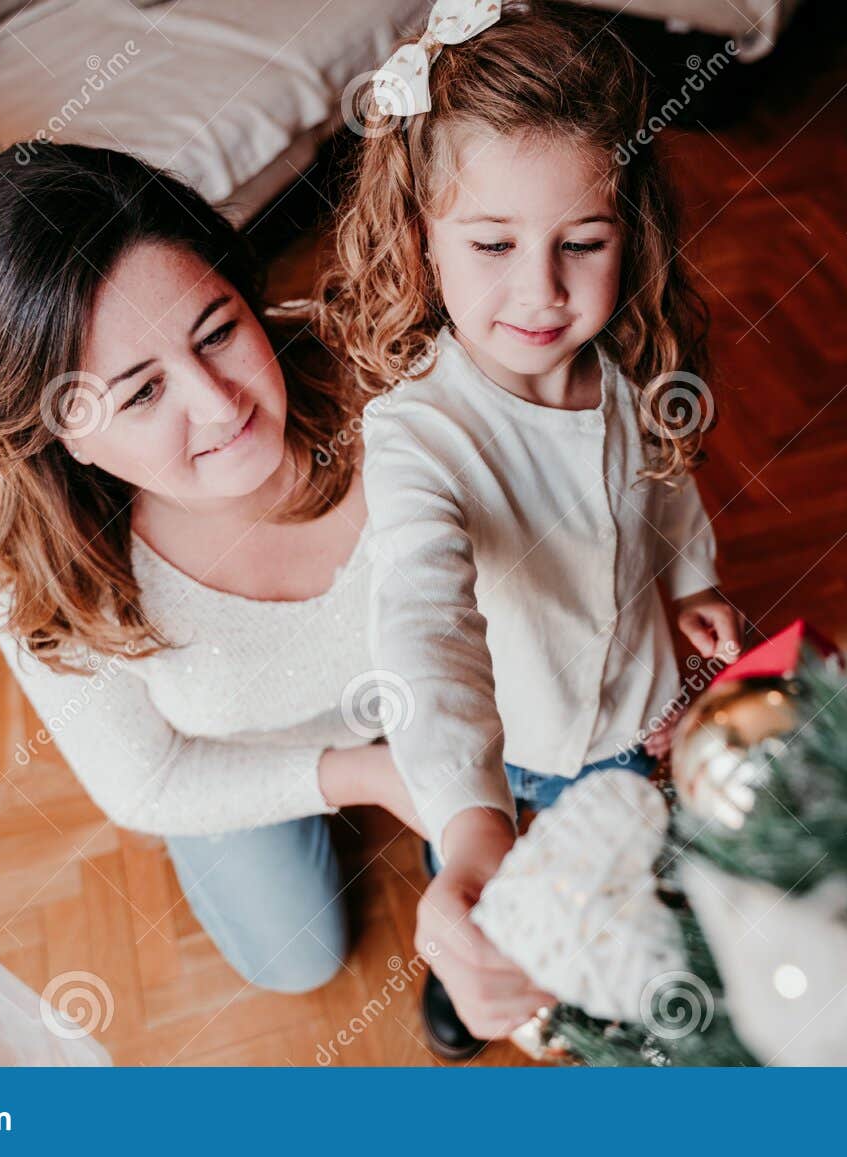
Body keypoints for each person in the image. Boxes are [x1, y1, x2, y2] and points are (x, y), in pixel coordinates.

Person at [318, 0, 742, 1057]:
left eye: (581, 242)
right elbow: (424, 618)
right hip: (500, 758)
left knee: (616, 889)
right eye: (494, 242)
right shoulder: (420, 430)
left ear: (626, 231)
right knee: (489, 905)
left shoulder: (634, 362)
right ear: (422, 233)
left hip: (633, 721)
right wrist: (467, 824)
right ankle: (463, 992)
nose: (541, 290)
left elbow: (667, 488)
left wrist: (690, 582)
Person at [0, 143, 419, 998]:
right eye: (141, 393)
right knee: (296, 959)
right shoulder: (35, 567)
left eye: (218, 331)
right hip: (241, 746)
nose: (221, 406)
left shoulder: (382, 381)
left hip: (434, 680)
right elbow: (147, 779)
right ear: (55, 429)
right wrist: (366, 774)